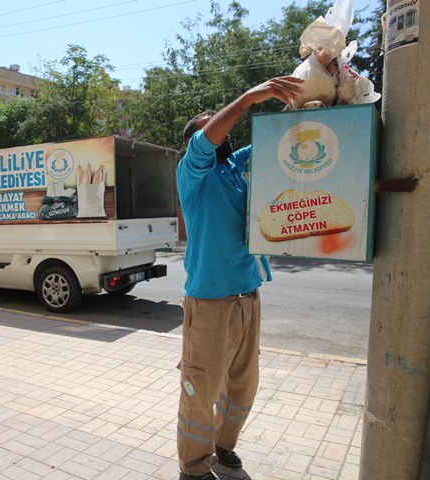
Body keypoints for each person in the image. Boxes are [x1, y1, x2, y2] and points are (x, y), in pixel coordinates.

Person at [176, 76, 303, 480]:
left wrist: (297, 111)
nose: (220, 127)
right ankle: (193, 469)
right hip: (210, 302)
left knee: (243, 386)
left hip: (248, 295)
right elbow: (209, 138)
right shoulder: (192, 173)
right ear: (198, 139)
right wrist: (250, 97)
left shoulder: (233, 165)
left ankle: (222, 444)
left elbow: (272, 144)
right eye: (209, 123)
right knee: (200, 390)